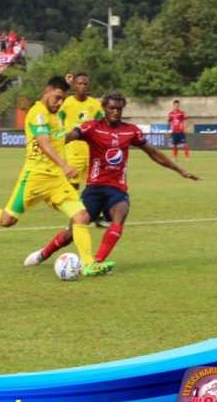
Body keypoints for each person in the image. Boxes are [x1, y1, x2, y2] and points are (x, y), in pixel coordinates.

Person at [0, 76, 108, 276]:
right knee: (7, 220)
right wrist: (65, 165)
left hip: (57, 181)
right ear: (46, 93)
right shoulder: (37, 113)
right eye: (57, 98)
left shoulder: (56, 113)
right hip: (35, 178)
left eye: (62, 99)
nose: (59, 103)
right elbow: (44, 143)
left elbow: (58, 139)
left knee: (82, 216)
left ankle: (88, 264)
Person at [23, 90, 202, 269]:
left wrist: (180, 170)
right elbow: (67, 138)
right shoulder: (92, 127)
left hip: (116, 189)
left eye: (118, 109)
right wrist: (49, 150)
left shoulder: (130, 131)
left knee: (121, 212)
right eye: (111, 108)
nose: (115, 112)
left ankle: (98, 261)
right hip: (94, 188)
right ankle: (43, 253)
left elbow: (153, 153)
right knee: (72, 232)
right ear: (104, 109)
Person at [59, 72, 109, 229]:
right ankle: (75, 215)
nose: (82, 86)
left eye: (85, 84)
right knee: (73, 186)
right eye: (79, 83)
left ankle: (99, 217)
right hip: (74, 151)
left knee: (97, 185)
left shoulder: (94, 104)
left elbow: (104, 123)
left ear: (88, 86)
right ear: (74, 85)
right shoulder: (66, 103)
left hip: (93, 152)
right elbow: (56, 119)